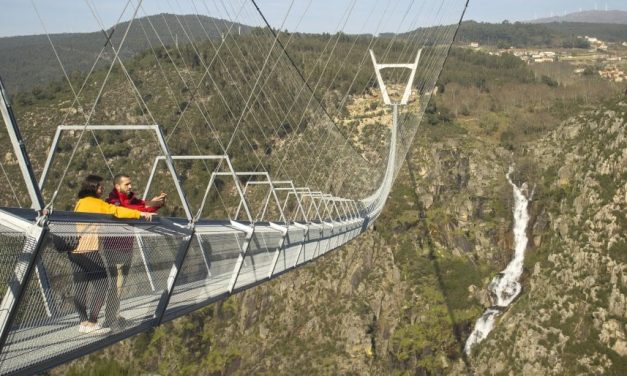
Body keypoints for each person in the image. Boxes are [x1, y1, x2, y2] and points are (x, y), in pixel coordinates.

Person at [69, 174, 153, 335]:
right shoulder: (95, 203)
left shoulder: (80, 202)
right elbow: (115, 211)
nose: (102, 189)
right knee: (103, 285)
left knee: (80, 287)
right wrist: (139, 214)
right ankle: (92, 322)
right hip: (88, 249)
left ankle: (83, 323)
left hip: (74, 250)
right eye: (100, 186)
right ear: (93, 188)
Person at [103, 174, 166, 329]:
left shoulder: (132, 200)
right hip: (113, 248)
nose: (130, 187)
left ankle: (113, 316)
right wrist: (147, 207)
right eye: (127, 184)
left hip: (126, 248)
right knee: (115, 286)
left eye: (130, 184)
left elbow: (143, 207)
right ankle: (110, 319)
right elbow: (125, 211)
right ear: (118, 186)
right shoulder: (112, 201)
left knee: (120, 285)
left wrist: (156, 203)